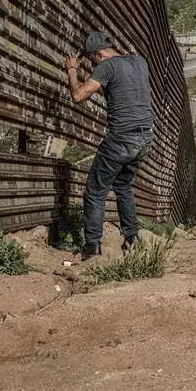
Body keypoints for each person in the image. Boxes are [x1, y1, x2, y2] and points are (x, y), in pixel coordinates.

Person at [66, 32, 154, 260]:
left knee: (96, 190)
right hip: (145, 137)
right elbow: (122, 88)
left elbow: (77, 95)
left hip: (122, 138)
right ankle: (132, 238)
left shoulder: (105, 67)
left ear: (99, 54)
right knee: (123, 185)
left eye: (91, 59)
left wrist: (72, 70)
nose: (91, 63)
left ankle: (92, 247)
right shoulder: (139, 62)